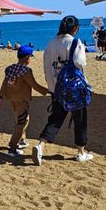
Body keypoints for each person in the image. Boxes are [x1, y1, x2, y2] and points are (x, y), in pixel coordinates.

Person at [32, 15, 92, 166]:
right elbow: (80, 63)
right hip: (74, 89)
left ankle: (41, 145)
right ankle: (81, 152)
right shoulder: (75, 42)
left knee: (56, 118)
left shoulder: (50, 44)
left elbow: (46, 67)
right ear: (75, 28)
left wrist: (51, 84)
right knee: (80, 120)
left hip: (56, 88)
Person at [0, 45, 49, 157]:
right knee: (21, 123)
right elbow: (34, 85)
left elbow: (5, 83)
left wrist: (1, 97)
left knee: (21, 120)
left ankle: (22, 140)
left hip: (11, 99)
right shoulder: (26, 71)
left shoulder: (10, 69)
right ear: (27, 57)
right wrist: (49, 92)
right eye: (30, 57)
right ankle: (12, 148)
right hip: (22, 101)